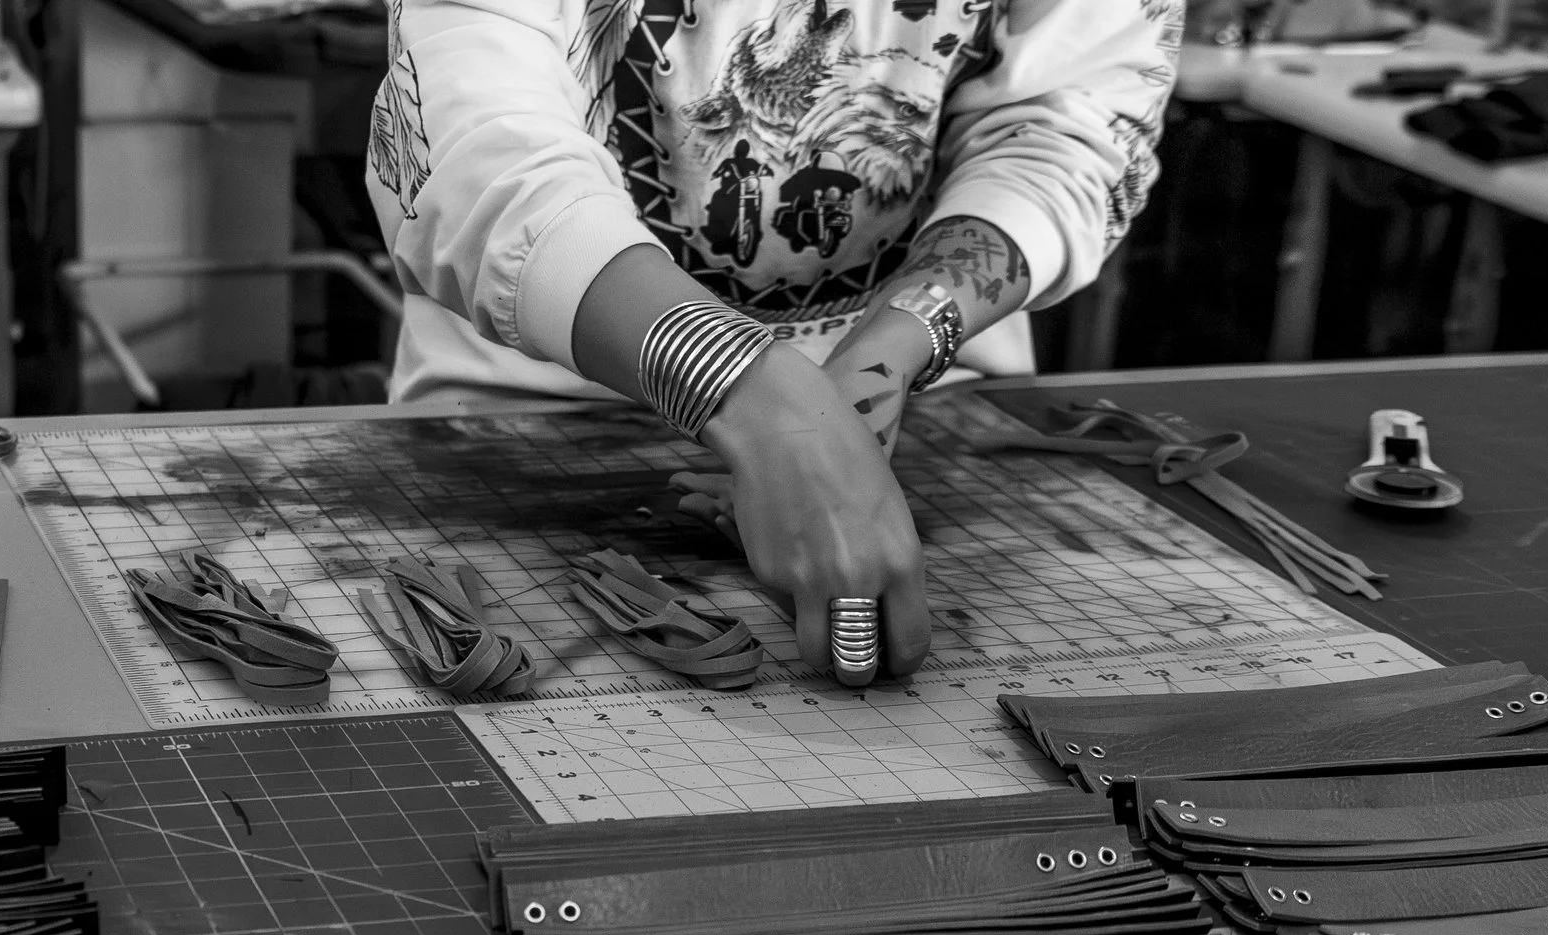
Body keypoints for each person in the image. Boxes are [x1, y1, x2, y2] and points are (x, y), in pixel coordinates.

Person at [367, 0, 1179, 684]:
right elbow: (471, 137)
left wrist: (881, 359)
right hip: (527, 425)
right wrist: (749, 391)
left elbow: (1065, 129)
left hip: (932, 433)